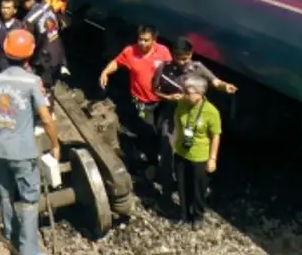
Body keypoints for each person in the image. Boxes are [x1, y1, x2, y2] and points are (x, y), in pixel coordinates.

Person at [0, 29, 59, 255]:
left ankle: (10, 239)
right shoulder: (32, 82)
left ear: (5, 50)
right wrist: (55, 144)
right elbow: (45, 118)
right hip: (23, 152)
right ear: (30, 54)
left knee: (5, 196)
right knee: (29, 200)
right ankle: (29, 250)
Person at [151, 36, 236, 193]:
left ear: (191, 54)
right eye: (178, 58)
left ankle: (191, 180)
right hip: (173, 114)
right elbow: (155, 90)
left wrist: (225, 87)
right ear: (172, 54)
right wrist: (168, 97)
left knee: (193, 146)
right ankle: (167, 182)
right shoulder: (164, 68)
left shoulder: (198, 68)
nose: (182, 62)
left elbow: (215, 81)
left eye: (185, 58)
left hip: (194, 115)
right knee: (167, 145)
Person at [99, 25, 172, 166]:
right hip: (142, 102)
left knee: (162, 128)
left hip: (162, 100)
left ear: (154, 40)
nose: (142, 43)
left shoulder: (163, 52)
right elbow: (117, 62)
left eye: (146, 40)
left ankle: (161, 152)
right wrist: (105, 72)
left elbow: (170, 70)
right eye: (140, 39)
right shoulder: (130, 51)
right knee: (147, 128)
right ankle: (150, 156)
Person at [173, 75, 221, 230]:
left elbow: (215, 135)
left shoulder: (211, 112)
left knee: (198, 189)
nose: (184, 95)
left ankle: (198, 216)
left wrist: (212, 159)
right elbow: (177, 120)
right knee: (182, 186)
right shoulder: (182, 103)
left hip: (200, 156)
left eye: (188, 92)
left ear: (199, 94)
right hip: (181, 152)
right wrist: (176, 140)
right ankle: (184, 214)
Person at [10, 0, 67, 94]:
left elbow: (27, 46)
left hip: (43, 62)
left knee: (42, 92)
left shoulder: (29, 21)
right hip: (58, 53)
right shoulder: (47, 6)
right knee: (52, 85)